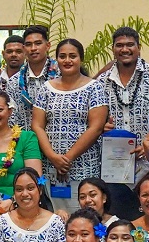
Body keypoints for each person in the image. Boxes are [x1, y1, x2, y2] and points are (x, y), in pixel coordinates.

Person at [101, 26, 149, 215]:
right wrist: (101, 126)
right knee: (120, 224)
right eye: (119, 45)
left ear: (139, 47)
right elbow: (91, 120)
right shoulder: (101, 82)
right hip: (115, 169)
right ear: (113, 49)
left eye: (130, 45)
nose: (124, 49)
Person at [32, 38, 109, 212]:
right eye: (62, 56)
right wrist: (53, 157)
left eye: (72, 56)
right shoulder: (46, 88)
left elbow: (95, 127)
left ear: (80, 59)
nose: (67, 60)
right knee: (58, 216)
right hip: (52, 167)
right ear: (56, 59)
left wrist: (67, 159)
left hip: (83, 166)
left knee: (85, 216)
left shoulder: (94, 88)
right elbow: (37, 125)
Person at [0, 167, 66, 242]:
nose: (24, 194)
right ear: (14, 194)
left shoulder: (55, 223)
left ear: (40, 190)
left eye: (30, 188)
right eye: (19, 189)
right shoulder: (1, 223)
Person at [7, 25, 58, 130]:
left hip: (56, 140)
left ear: (48, 46)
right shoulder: (14, 82)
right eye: (28, 45)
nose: (33, 48)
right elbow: (12, 118)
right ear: (24, 48)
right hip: (26, 142)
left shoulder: (61, 75)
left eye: (38, 43)